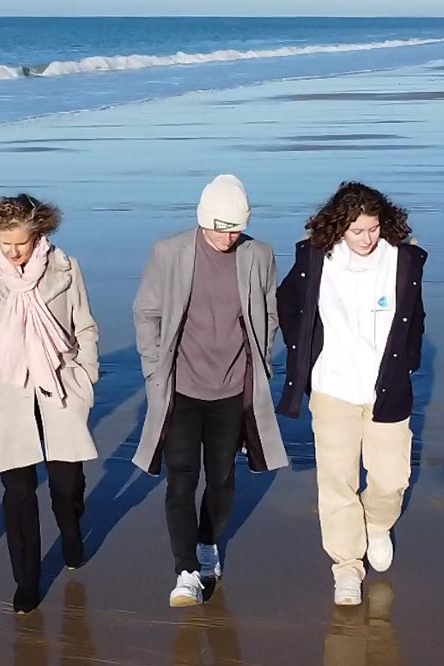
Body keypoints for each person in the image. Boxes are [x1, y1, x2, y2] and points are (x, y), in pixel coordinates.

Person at [132, 174, 288, 607]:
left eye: (235, 229)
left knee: (221, 479)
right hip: (181, 389)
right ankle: (184, 571)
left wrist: (262, 363)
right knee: (181, 479)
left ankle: (207, 543)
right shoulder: (169, 252)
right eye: (220, 229)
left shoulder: (258, 254)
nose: (227, 237)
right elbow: (147, 312)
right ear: (202, 221)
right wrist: (153, 369)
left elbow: (270, 312)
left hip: (231, 389)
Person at [277, 182, 427, 606]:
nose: (366, 238)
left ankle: (377, 525)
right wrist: (307, 357)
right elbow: (287, 306)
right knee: (337, 482)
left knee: (392, 479)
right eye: (358, 230)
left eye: (374, 229)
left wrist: (407, 362)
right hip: (333, 389)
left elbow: (415, 318)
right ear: (340, 227)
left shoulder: (403, 260)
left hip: (387, 391)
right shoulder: (316, 259)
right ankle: (346, 566)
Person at [0, 194, 99, 614]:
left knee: (65, 484)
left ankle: (72, 532)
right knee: (17, 492)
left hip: (60, 389)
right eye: (5, 243)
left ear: (38, 233)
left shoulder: (64, 269)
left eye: (19, 243)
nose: (12, 251)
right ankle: (26, 580)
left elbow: (85, 327)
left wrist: (84, 379)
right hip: (9, 394)